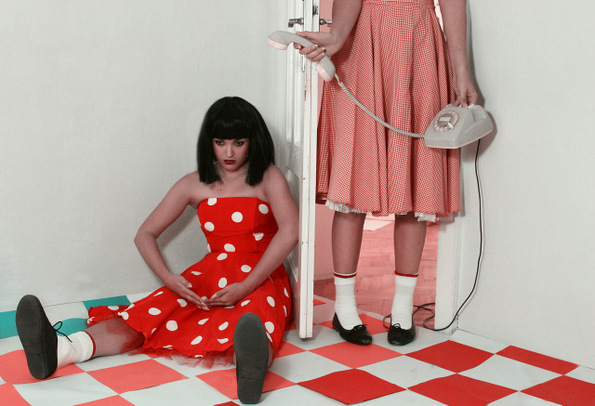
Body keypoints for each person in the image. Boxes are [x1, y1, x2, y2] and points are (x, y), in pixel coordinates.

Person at [15, 96, 299, 404]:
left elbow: (290, 231)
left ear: (253, 141)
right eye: (220, 142)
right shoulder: (193, 183)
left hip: (262, 275)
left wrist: (247, 284)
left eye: (238, 143)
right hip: (209, 273)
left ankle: (251, 372)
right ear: (209, 142)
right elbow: (145, 234)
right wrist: (168, 278)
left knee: (253, 318)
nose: (229, 153)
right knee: (149, 314)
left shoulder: (268, 176)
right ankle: (62, 350)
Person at [296, 0, 478, 346]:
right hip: (363, 43)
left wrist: (461, 70)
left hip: (420, 45)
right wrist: (337, 34)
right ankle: (344, 308)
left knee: (414, 180)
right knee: (354, 180)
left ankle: (403, 309)